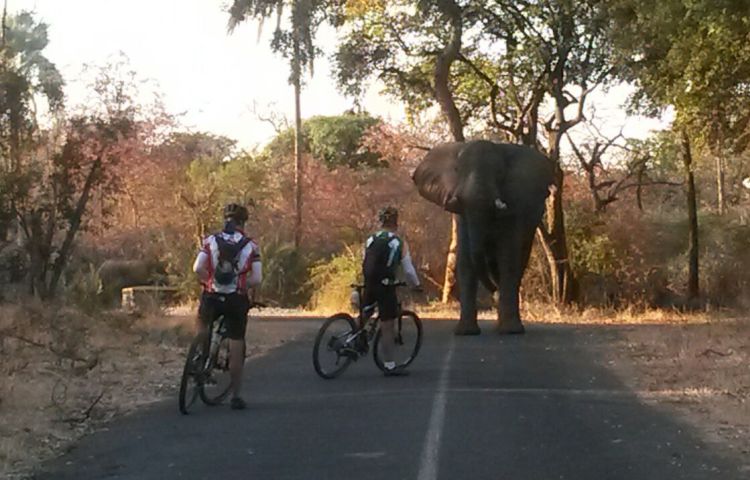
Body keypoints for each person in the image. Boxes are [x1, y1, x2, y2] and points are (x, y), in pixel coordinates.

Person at [192, 203, 262, 410]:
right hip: (235, 299)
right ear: (243, 222)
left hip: (212, 294)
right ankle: (236, 396)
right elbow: (257, 278)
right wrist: (242, 285)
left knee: (203, 326)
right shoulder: (251, 246)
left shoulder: (211, 240)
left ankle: (198, 356)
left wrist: (209, 281)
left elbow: (197, 268)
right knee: (236, 343)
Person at [362, 206, 422, 377]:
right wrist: (416, 285)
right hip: (385, 285)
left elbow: (365, 260)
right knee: (387, 326)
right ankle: (389, 365)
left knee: (365, 314)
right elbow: (409, 270)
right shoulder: (398, 242)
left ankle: (354, 339)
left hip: (369, 282)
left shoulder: (371, 239)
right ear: (396, 222)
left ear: (380, 222)